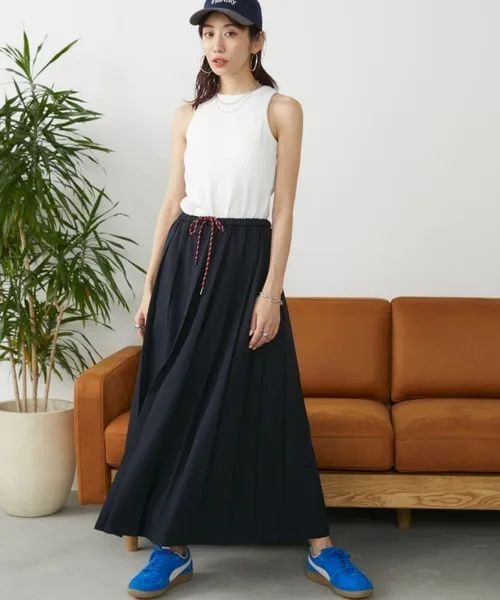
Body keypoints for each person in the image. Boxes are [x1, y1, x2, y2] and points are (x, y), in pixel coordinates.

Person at [94, 1, 374, 598]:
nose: (217, 45)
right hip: (185, 259)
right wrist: (149, 286)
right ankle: (171, 548)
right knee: (174, 399)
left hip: (247, 260)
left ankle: (322, 549)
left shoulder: (281, 109)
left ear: (257, 41)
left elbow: (284, 208)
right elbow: (171, 203)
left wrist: (271, 293)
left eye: (230, 32)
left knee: (272, 398)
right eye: (208, 34)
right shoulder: (188, 116)